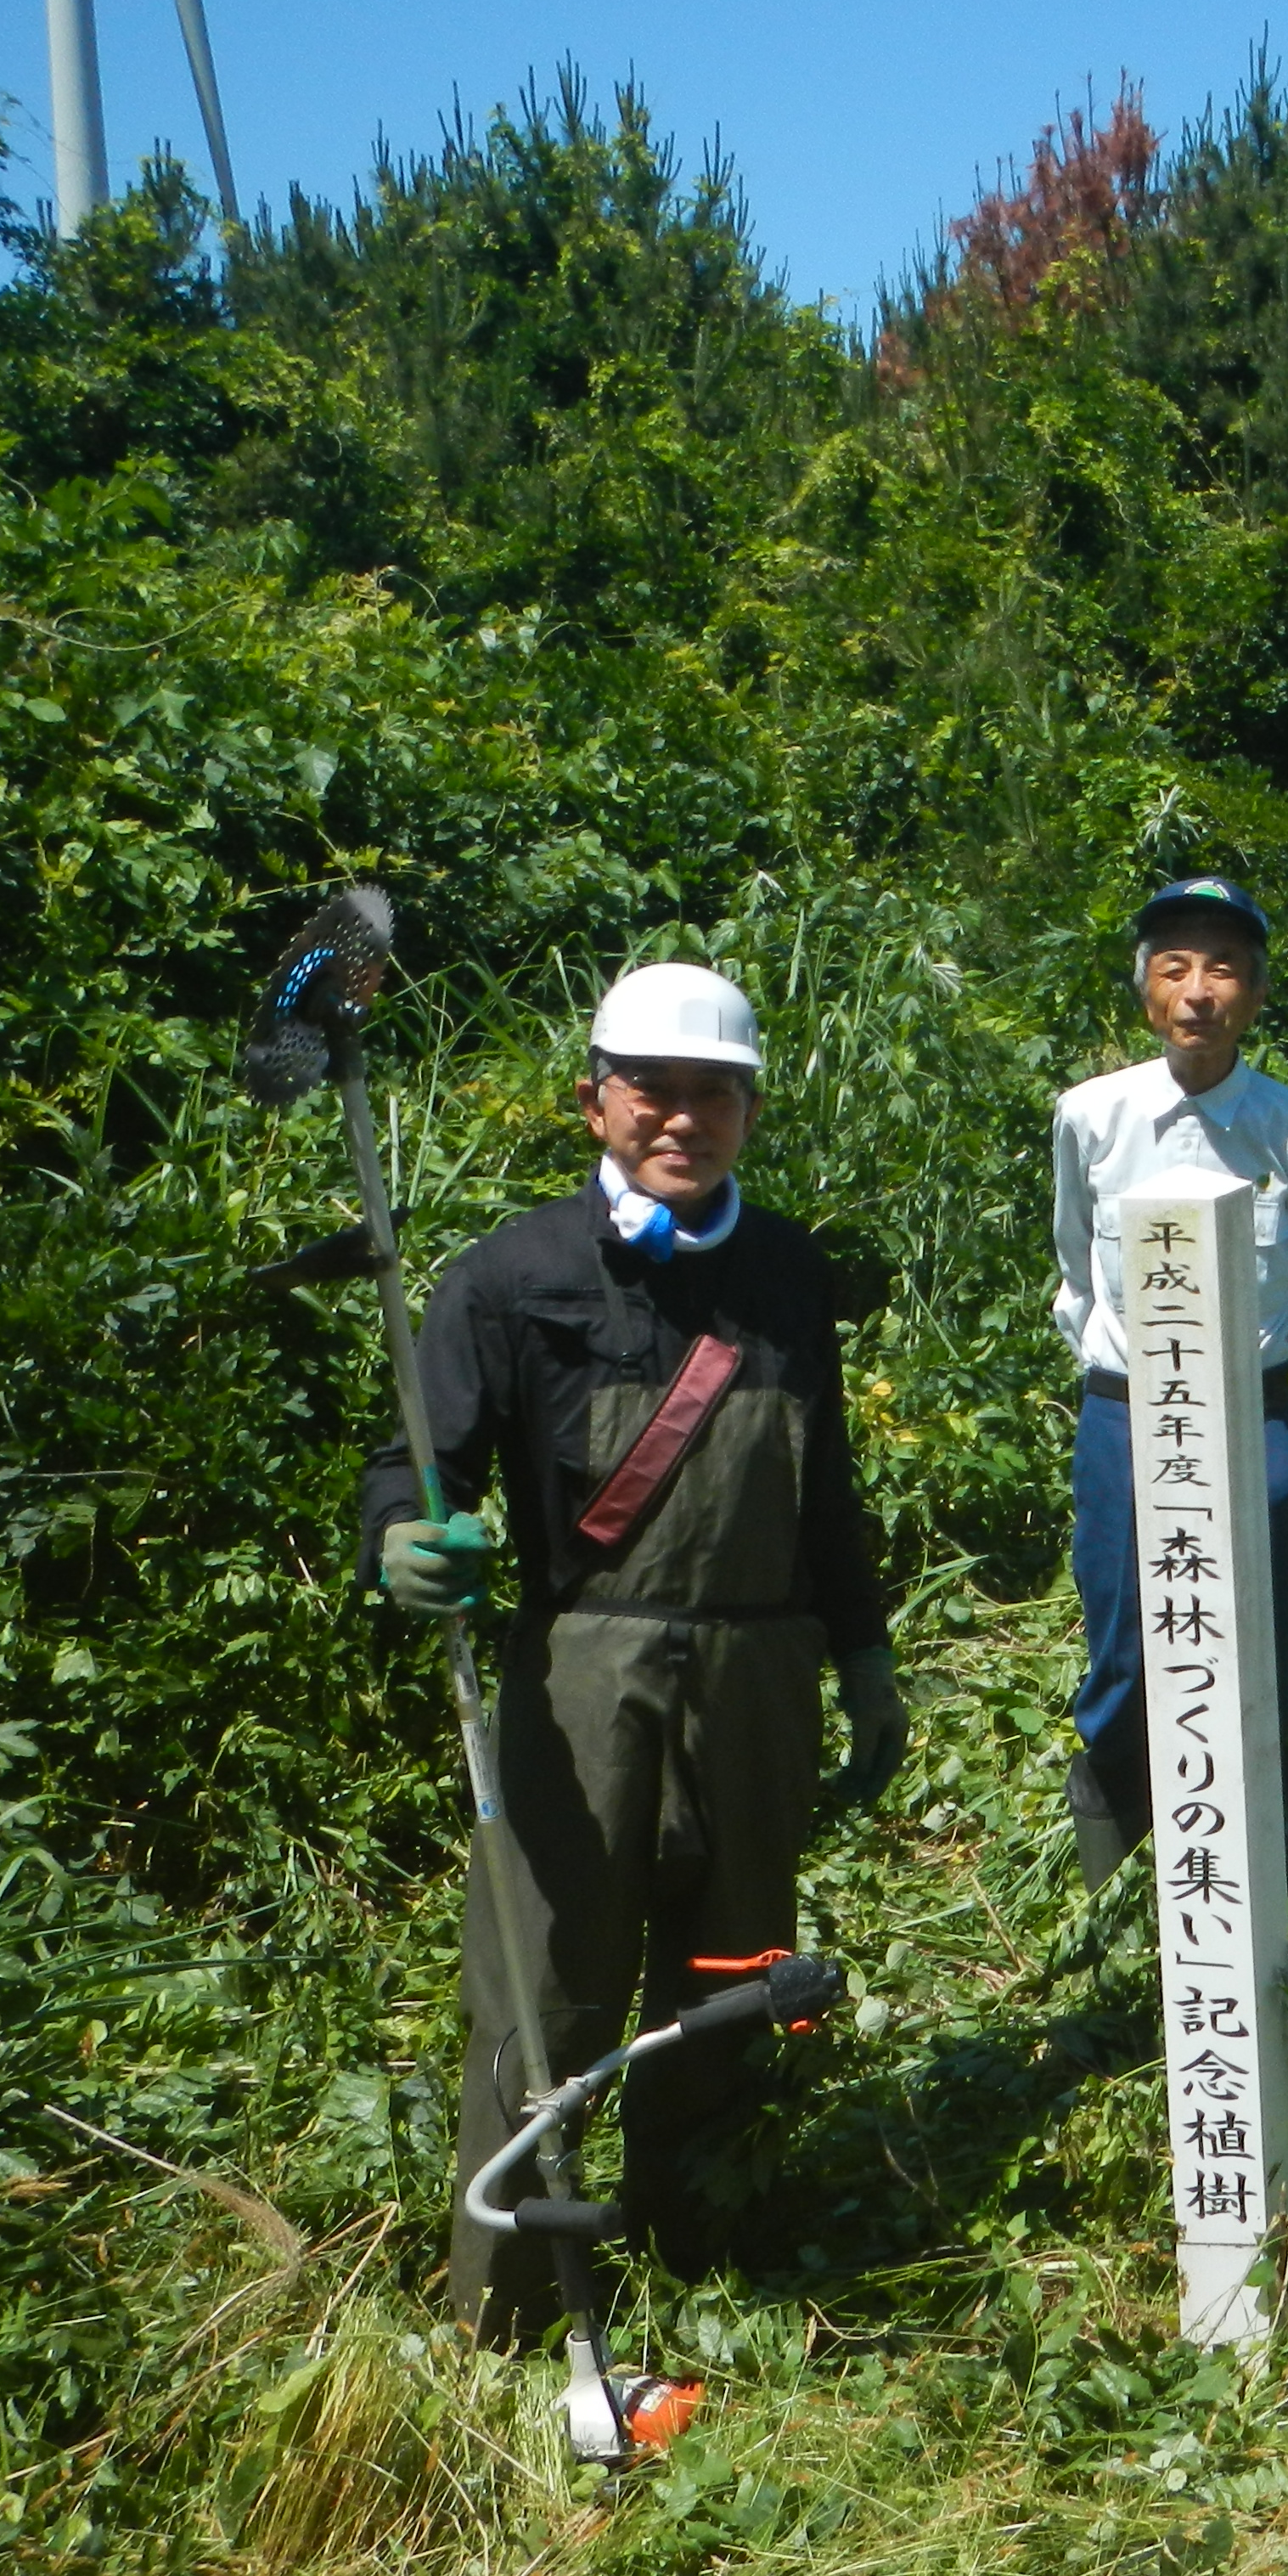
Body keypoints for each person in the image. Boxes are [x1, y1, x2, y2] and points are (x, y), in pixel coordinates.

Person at [363, 961, 909, 2347]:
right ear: (595, 1100)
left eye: (713, 1094)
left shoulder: (786, 1274)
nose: (684, 1117)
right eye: (653, 1090)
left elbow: (825, 1488)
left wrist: (863, 1658)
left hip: (760, 1675)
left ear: (747, 1108)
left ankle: (707, 2257)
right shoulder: (510, 1277)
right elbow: (416, 1460)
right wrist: (404, 1543)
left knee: (731, 1977)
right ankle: (507, 2307)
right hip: (578, 1680)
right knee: (546, 1986)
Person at [1050, 878, 1288, 1889]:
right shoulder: (1092, 1116)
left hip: (1250, 1403)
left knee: (1250, 1629)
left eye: (1221, 968)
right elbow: (1072, 1261)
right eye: (1174, 966)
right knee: (1127, 1630)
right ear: (1144, 990)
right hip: (1124, 1409)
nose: (1198, 991)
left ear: (1255, 993)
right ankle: (1117, 1856)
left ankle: (1245, 1860)